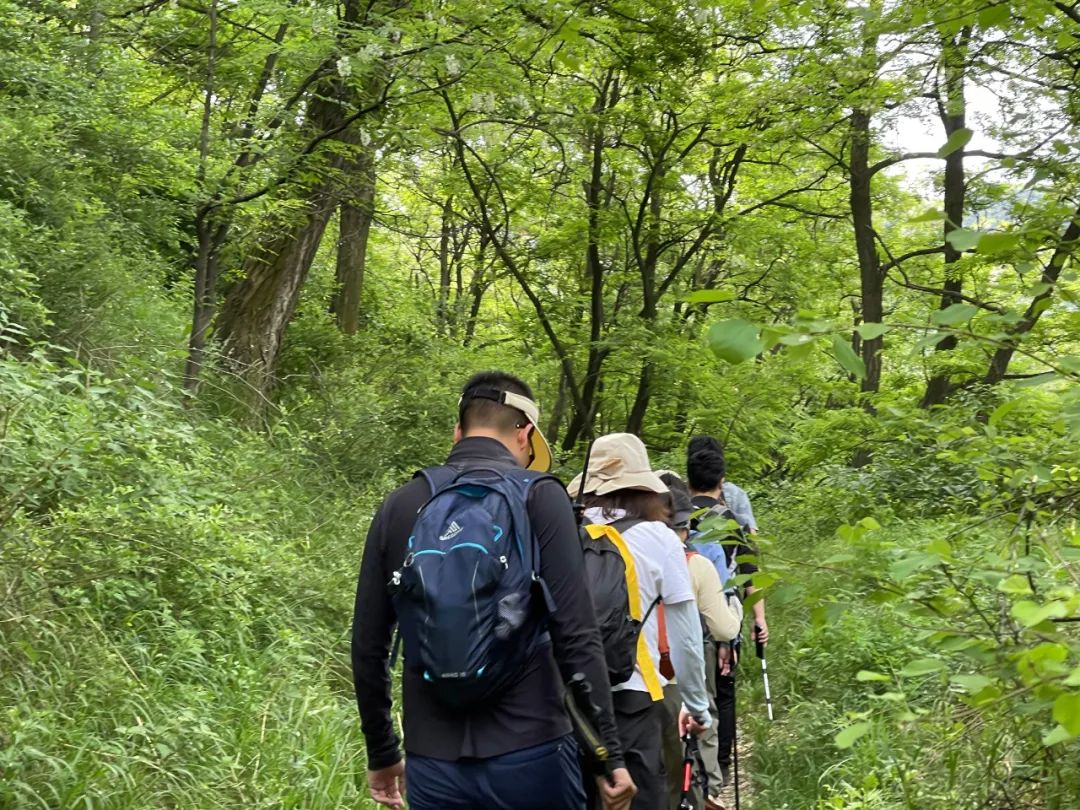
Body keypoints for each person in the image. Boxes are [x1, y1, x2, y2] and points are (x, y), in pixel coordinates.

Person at [352, 371, 636, 810]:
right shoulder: (541, 497)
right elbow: (577, 633)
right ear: (525, 434)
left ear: (458, 431)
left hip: (434, 757)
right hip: (533, 750)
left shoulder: (403, 503)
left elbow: (368, 645)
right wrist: (607, 753)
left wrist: (383, 751)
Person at [569, 433, 711, 810]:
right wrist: (697, 706)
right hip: (633, 697)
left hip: (569, 705)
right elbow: (686, 636)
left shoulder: (565, 534)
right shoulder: (658, 538)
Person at [686, 436, 766, 790]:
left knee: (691, 692)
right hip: (723, 614)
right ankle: (720, 766)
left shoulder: (675, 516)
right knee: (724, 689)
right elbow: (750, 574)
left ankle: (693, 767)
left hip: (682, 616)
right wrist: (758, 620)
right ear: (723, 482)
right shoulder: (732, 522)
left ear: (688, 479)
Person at [657, 473, 741, 810]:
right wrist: (734, 605)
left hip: (635, 677)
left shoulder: (625, 556)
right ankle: (708, 791)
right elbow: (724, 629)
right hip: (681, 671)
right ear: (686, 526)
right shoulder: (698, 565)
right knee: (700, 722)